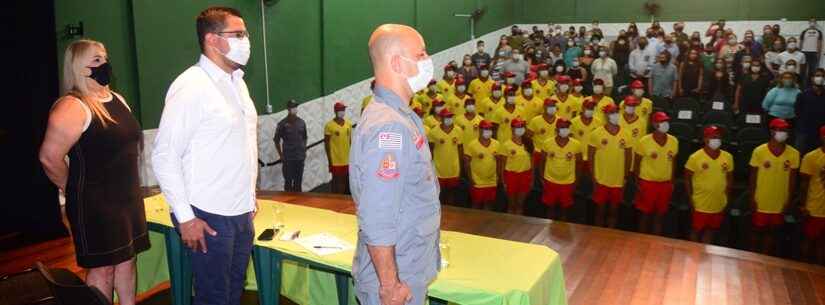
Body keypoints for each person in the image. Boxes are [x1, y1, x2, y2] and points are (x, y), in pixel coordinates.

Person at [151, 7, 258, 305]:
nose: (246, 40)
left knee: (233, 291)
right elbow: (164, 155)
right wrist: (185, 218)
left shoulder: (238, 82)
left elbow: (241, 145)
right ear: (212, 40)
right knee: (214, 298)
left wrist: (248, 197)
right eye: (237, 34)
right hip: (208, 214)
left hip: (240, 212)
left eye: (245, 34)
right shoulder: (191, 86)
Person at [40, 39, 148, 305]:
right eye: (96, 60)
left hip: (127, 199)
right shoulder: (72, 107)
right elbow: (49, 158)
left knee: (127, 261)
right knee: (103, 268)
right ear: (78, 67)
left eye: (105, 58)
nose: (105, 65)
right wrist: (74, 188)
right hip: (96, 206)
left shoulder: (117, 99)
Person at [350, 24, 440, 305]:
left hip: (408, 262)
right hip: (396, 279)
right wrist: (390, 286)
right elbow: (378, 214)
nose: (428, 61)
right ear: (398, 63)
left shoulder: (399, 116)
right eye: (421, 54)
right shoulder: (390, 126)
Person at [748, 118, 799, 255]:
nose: (783, 132)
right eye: (780, 130)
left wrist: (788, 200)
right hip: (761, 199)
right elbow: (753, 177)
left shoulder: (794, 153)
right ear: (772, 131)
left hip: (779, 201)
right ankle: (752, 257)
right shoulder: (759, 151)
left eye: (785, 130)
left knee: (772, 232)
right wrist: (752, 197)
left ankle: (765, 258)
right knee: (756, 230)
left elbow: (792, 180)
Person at [685, 125, 734, 243]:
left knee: (711, 230)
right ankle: (693, 255)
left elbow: (730, 179)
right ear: (705, 139)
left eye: (718, 137)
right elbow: (687, 179)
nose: (717, 139)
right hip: (700, 202)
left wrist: (726, 198)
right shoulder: (695, 157)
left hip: (718, 202)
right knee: (696, 230)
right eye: (713, 136)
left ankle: (704, 255)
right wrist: (691, 198)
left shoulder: (728, 157)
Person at [633, 112, 678, 236]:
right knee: (645, 215)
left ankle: (655, 244)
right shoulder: (644, 141)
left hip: (665, 184)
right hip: (648, 182)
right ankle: (641, 241)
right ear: (654, 124)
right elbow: (636, 163)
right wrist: (638, 182)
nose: (664, 124)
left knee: (660, 216)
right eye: (661, 122)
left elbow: (673, 163)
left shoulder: (674, 141)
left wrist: (672, 182)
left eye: (666, 121)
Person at [589, 103, 632, 228]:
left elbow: (628, 157)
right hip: (601, 179)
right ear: (606, 115)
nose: (615, 115)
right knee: (600, 211)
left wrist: (625, 176)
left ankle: (611, 237)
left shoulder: (626, 133)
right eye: (612, 113)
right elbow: (591, 157)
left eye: (616, 112)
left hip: (618, 180)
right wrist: (593, 176)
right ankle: (598, 235)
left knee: (614, 211)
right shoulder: (596, 133)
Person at [538, 118, 582, 221]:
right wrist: (542, 177)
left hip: (568, 181)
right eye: (562, 127)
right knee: (550, 209)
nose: (565, 129)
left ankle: (563, 231)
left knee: (565, 210)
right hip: (550, 180)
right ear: (556, 129)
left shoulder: (576, 144)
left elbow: (579, 163)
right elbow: (542, 161)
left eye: (566, 127)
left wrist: (577, 180)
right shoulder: (547, 143)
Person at [799, 125, 825, 264]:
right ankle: (803, 270)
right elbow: (804, 185)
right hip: (814, 207)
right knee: (808, 241)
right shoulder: (811, 157)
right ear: (821, 137)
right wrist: (803, 205)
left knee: (822, 244)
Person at [428, 108, 463, 205]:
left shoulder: (458, 130)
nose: (449, 119)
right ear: (441, 118)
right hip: (439, 169)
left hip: (454, 168)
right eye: (447, 117)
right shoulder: (433, 132)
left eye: (450, 117)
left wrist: (461, 166)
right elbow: (430, 150)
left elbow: (460, 148)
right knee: (440, 194)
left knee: (452, 193)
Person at [464, 120, 501, 210]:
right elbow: (466, 163)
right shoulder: (472, 144)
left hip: (491, 181)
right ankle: (474, 223)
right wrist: (470, 178)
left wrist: (498, 175)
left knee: (489, 205)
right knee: (476, 205)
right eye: (486, 128)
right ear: (480, 130)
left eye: (490, 129)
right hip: (477, 182)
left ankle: (487, 223)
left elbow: (499, 161)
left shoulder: (497, 144)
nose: (488, 131)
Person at [498, 118, 532, 215]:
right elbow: (502, 165)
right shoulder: (506, 145)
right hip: (511, 176)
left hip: (525, 175)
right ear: (512, 129)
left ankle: (519, 226)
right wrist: (503, 180)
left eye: (521, 126)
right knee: (511, 204)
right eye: (517, 127)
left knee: (520, 204)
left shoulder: (529, 143)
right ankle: (510, 226)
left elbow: (532, 162)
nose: (520, 129)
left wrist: (532, 178)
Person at [274, 99, 308, 192]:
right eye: (293, 107)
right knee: (288, 183)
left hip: (299, 158)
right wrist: (281, 155)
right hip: (288, 158)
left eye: (296, 107)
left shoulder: (302, 122)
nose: (294, 109)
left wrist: (304, 150)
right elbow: (276, 140)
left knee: (298, 183)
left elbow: (305, 137)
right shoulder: (282, 124)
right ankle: (288, 205)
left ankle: (298, 204)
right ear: (288, 109)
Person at [324, 102, 353, 194]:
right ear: (335, 111)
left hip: (347, 159)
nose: (342, 112)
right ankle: (335, 200)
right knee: (337, 181)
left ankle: (346, 201)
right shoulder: (329, 125)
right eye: (340, 110)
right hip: (336, 160)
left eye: (343, 110)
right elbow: (327, 144)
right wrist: (330, 160)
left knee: (347, 181)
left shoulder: (348, 124)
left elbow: (350, 141)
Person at [794, 69, 825, 153]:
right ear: (812, 78)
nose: (820, 78)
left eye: (822, 76)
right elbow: (797, 111)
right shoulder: (803, 94)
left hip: (821, 131)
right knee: (799, 153)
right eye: (818, 76)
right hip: (804, 130)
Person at [800, 18, 823, 82]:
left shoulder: (819, 32)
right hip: (804, 52)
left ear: (815, 23)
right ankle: (802, 84)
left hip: (814, 53)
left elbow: (819, 43)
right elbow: (801, 42)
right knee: (803, 70)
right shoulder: (804, 31)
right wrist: (800, 53)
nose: (812, 22)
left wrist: (819, 53)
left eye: (814, 21)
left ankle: (810, 84)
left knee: (812, 70)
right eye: (811, 21)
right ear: (809, 22)